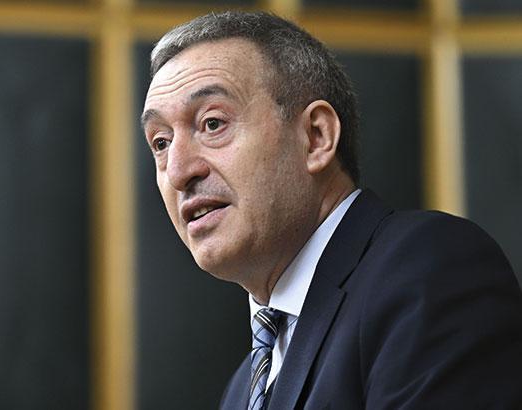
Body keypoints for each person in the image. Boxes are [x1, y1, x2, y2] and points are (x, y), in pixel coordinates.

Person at [140, 11, 522, 410]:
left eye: (212, 123)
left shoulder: (429, 269)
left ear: (316, 136)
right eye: (161, 143)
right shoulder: (242, 389)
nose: (179, 172)